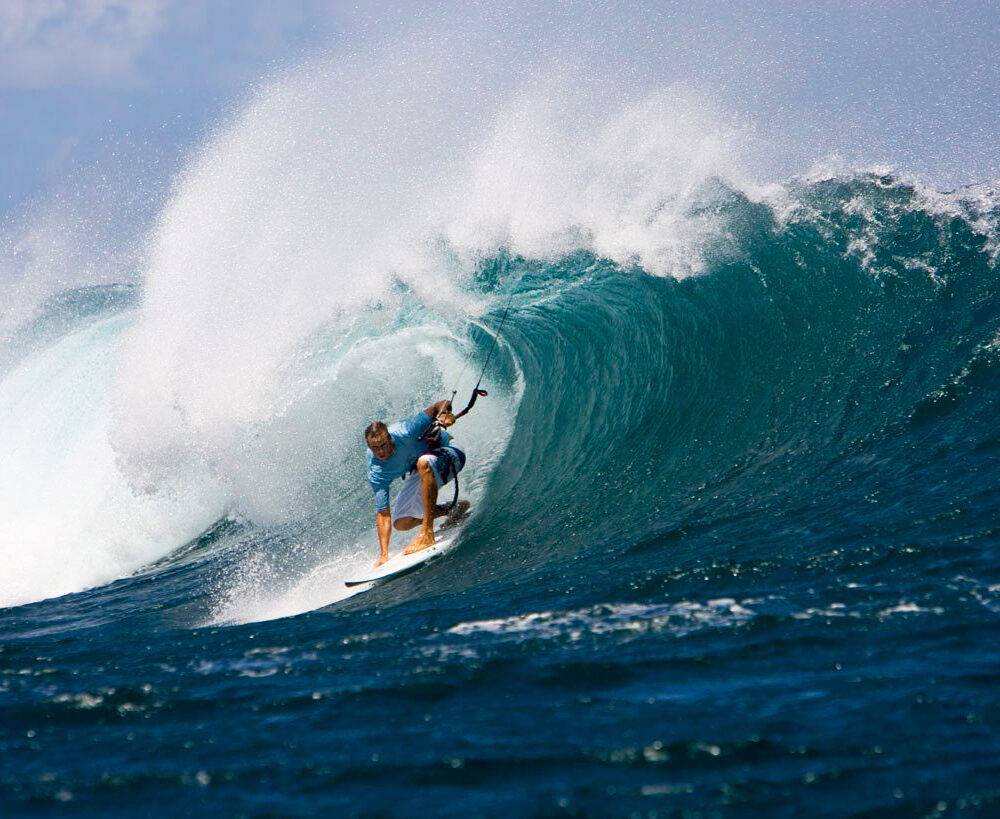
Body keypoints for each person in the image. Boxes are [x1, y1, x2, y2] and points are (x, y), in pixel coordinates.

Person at [365, 399, 468, 567]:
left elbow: (440, 404)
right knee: (402, 522)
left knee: (423, 462)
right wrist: (384, 555)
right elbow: (383, 514)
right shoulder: (376, 469)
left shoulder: (406, 430)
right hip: (423, 467)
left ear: (390, 438)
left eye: (383, 445)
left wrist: (445, 414)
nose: (381, 452)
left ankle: (427, 532)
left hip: (452, 453)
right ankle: (452, 509)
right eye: (375, 448)